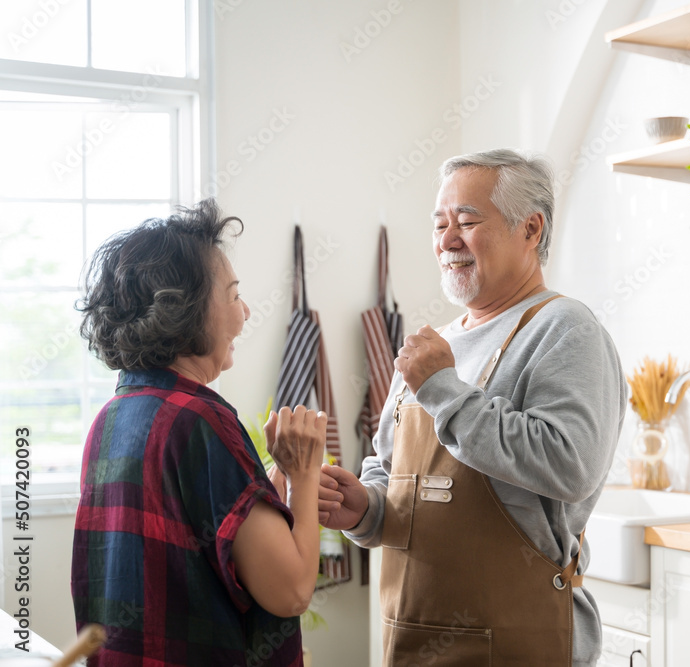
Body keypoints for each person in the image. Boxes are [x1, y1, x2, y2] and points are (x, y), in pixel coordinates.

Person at [317, 149, 627, 665]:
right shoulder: (433, 343)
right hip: (410, 637)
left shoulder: (565, 329)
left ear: (530, 229)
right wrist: (366, 508)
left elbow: (570, 465)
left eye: (466, 221)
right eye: (439, 224)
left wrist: (441, 386)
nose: (446, 240)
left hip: (517, 641)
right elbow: (390, 470)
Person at [72, 200, 327, 667]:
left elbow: (193, 545)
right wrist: (306, 475)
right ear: (184, 310)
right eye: (232, 295)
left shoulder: (111, 417)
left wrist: (275, 481)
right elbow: (290, 591)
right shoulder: (201, 422)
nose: (245, 312)